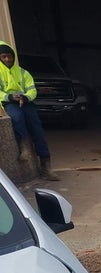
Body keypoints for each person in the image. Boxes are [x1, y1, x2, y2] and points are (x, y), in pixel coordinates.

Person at [0, 41, 59, 180]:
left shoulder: (22, 72)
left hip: (26, 102)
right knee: (17, 117)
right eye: (4, 57)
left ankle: (46, 165)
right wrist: (10, 97)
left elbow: (32, 89)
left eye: (10, 56)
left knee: (36, 125)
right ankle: (24, 147)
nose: (8, 59)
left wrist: (25, 98)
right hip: (9, 102)